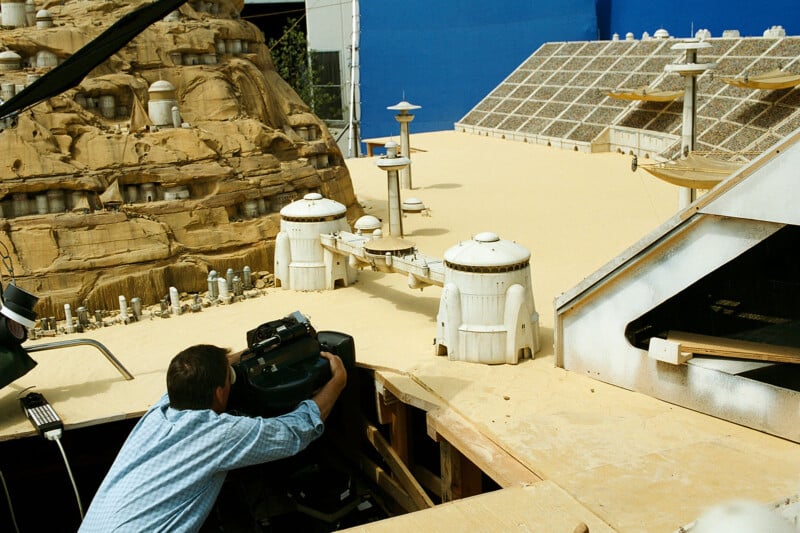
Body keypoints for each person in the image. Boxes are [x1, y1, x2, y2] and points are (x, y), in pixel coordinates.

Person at [79, 344, 347, 532]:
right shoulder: (219, 434)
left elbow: (199, 369)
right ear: (219, 393)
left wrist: (264, 346)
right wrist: (337, 383)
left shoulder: (159, 412)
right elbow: (295, 431)